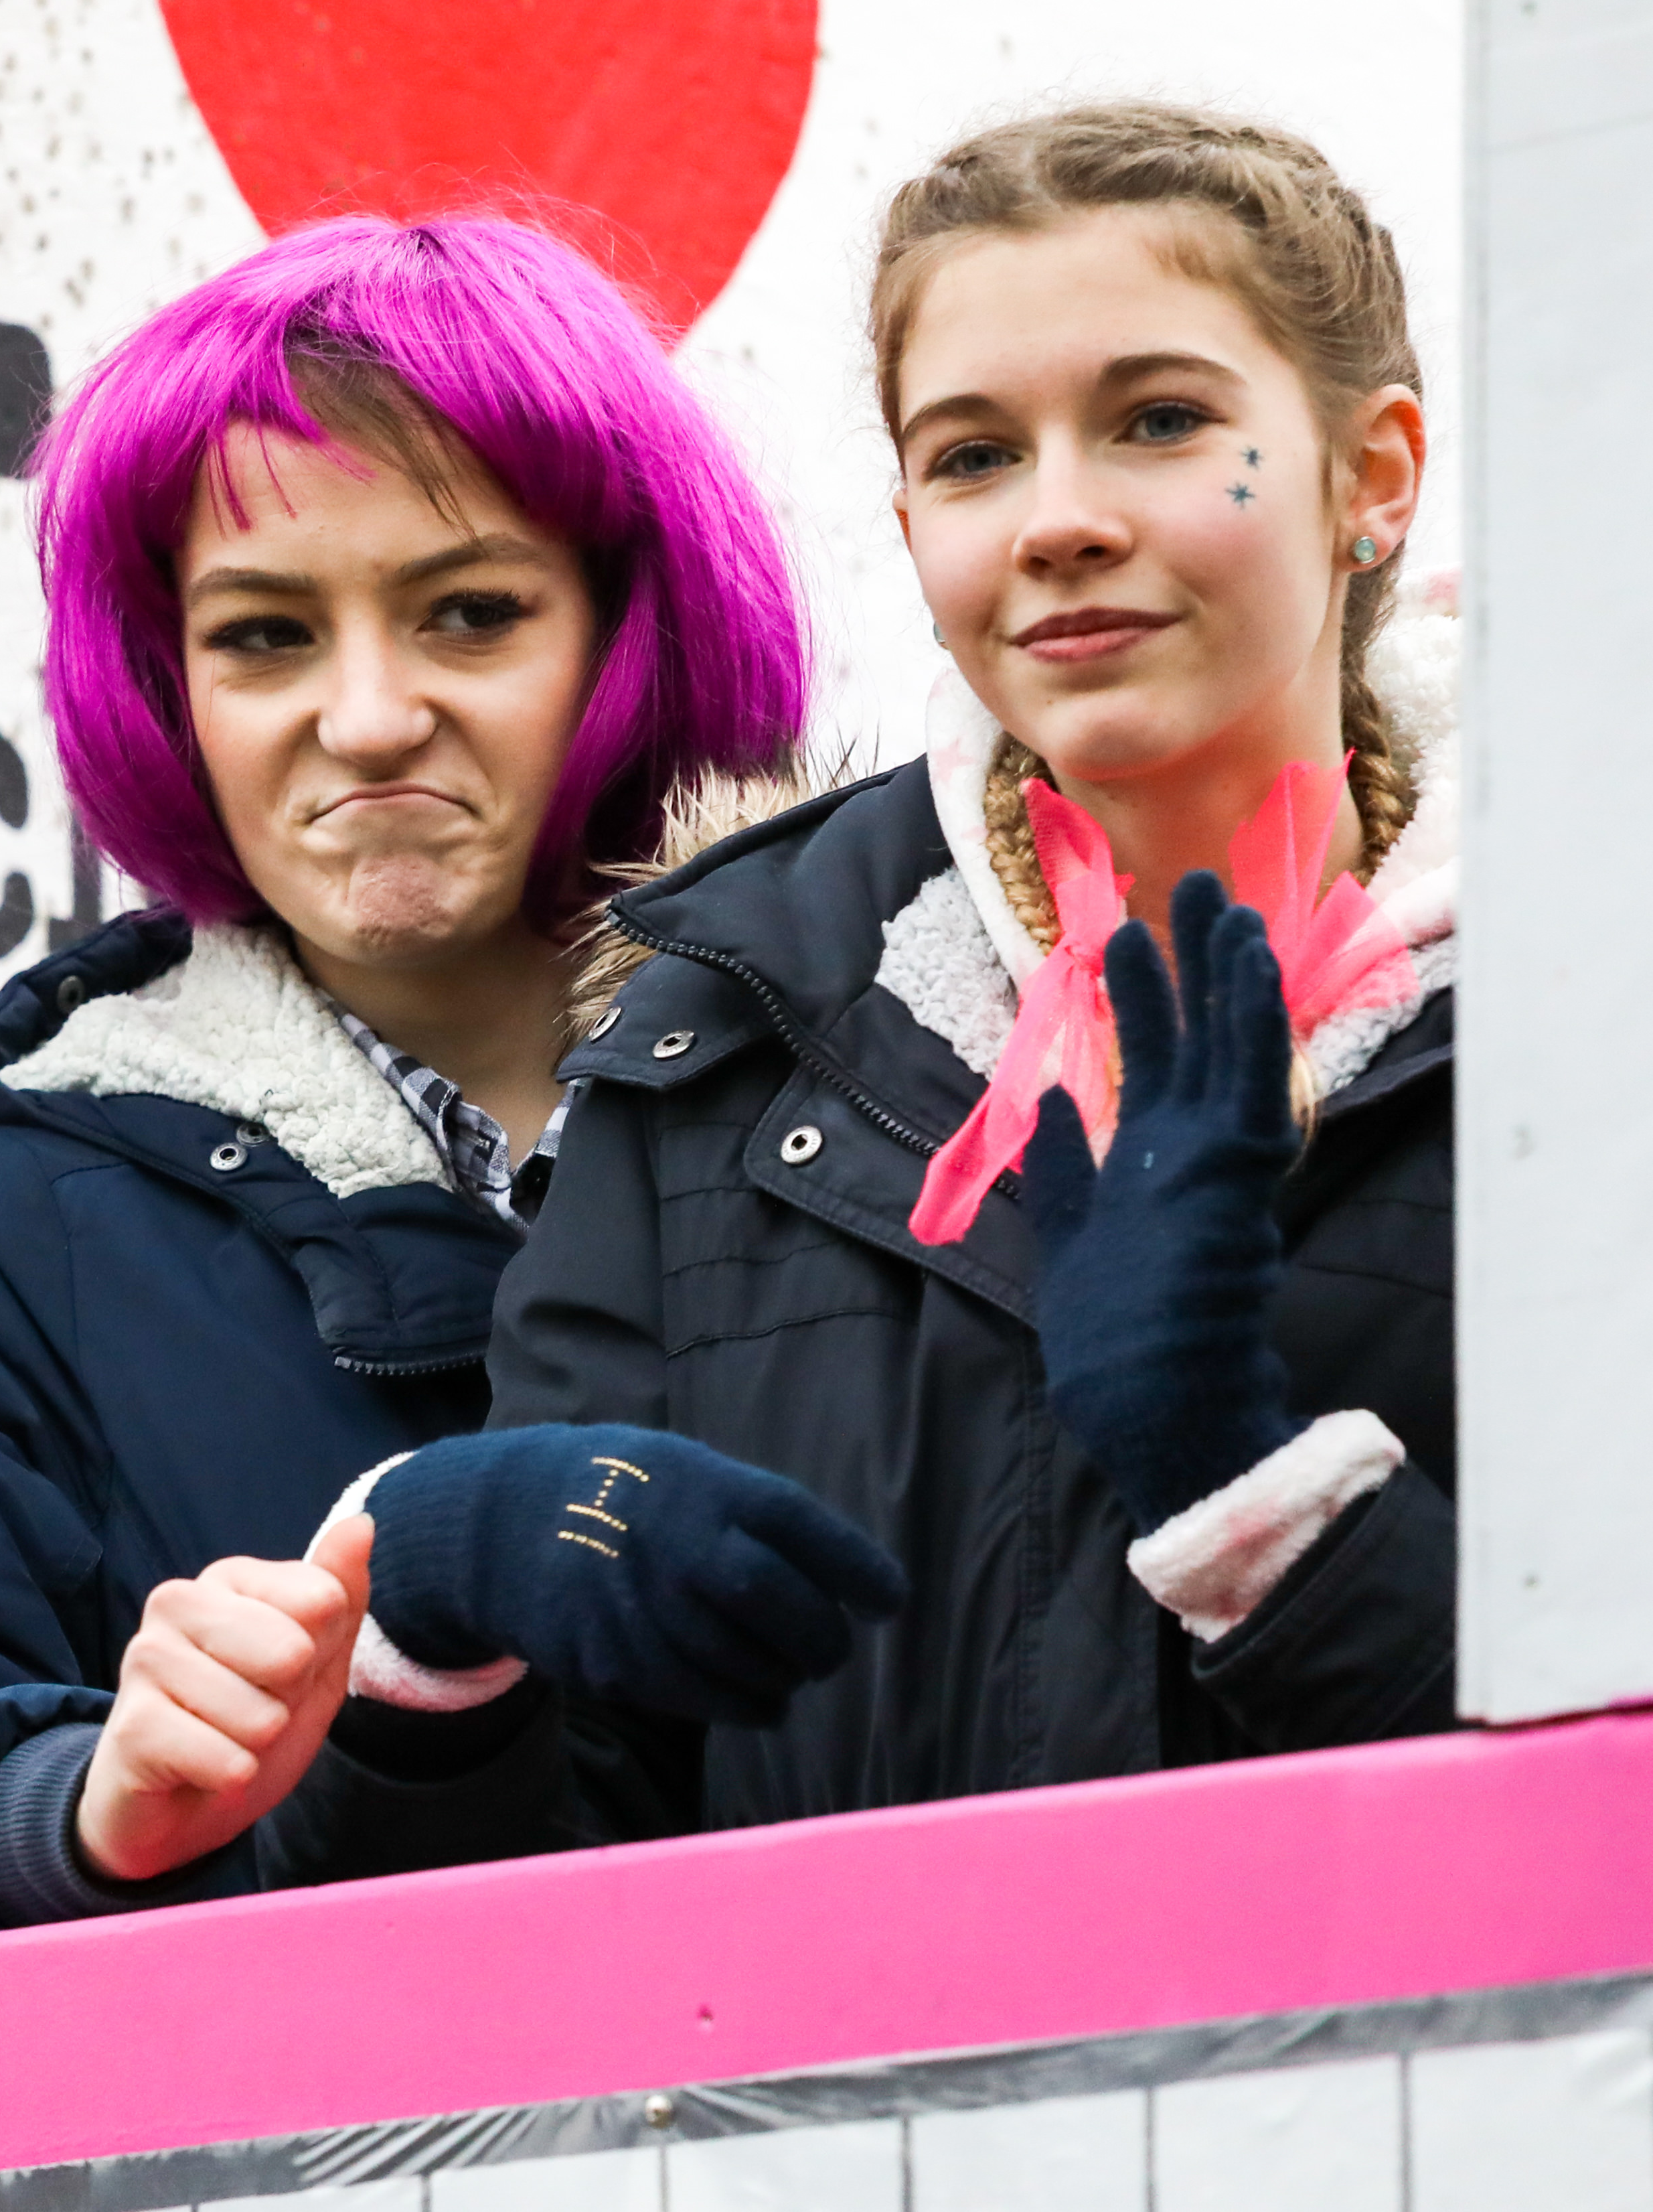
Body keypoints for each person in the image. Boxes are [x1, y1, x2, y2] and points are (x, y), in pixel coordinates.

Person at [0, 214, 908, 1965]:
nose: (366, 717)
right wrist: (83, 1802)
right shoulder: (17, 1235)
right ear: (163, 687)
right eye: (264, 635)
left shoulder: (925, 1078)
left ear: (627, 635)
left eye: (469, 614)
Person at [324, 102, 1459, 1844]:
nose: (1057, 521)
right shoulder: (720, 1035)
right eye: (976, 455)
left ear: (1369, 474)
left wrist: (1255, 1498)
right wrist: (428, 1631)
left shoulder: (1594, 1013)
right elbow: (539, 1895)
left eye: (1160, 421)